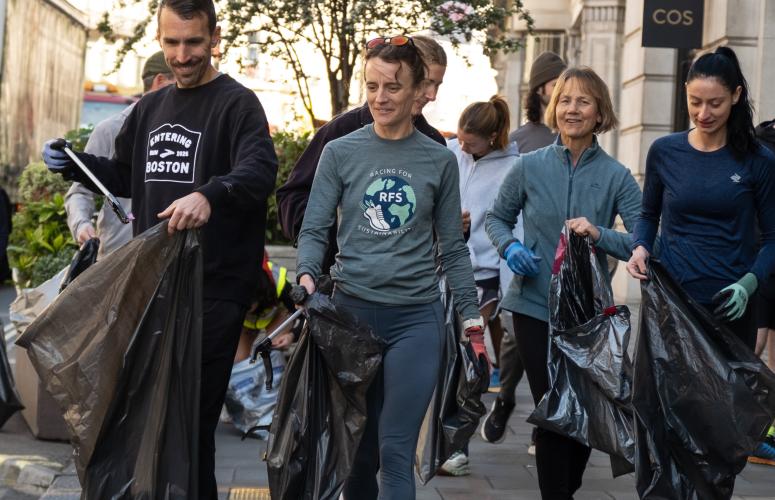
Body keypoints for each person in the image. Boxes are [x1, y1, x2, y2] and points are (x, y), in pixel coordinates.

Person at [41, 1, 278, 497]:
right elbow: (125, 175)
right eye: (171, 42)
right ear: (160, 38)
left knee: (189, 423)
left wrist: (208, 195)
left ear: (215, 37)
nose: (182, 54)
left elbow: (258, 174)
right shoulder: (150, 109)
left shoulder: (237, 104)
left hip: (214, 288)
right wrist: (74, 162)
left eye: (193, 42)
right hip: (154, 286)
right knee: (148, 416)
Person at [295, 35, 484, 500]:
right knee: (359, 452)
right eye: (372, 85)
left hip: (415, 320)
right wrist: (304, 274)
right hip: (351, 318)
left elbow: (453, 249)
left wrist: (471, 317)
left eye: (393, 87)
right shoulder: (340, 151)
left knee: (396, 452)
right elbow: (314, 230)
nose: (380, 97)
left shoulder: (439, 158)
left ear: (417, 88)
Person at [486, 66, 643, 499]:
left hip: (590, 317)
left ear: (599, 114)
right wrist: (509, 248)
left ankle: (563, 490)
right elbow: (496, 219)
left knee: (583, 415)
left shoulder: (616, 176)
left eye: (583, 101)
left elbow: (642, 241)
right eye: (565, 100)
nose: (573, 109)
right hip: (534, 305)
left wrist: (599, 234)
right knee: (554, 407)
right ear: (555, 109)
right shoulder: (528, 166)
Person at [629, 47, 775, 475]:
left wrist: (749, 283)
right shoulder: (665, 151)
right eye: (695, 102)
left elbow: (773, 238)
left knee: (718, 435)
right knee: (666, 425)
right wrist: (640, 247)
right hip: (671, 308)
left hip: (730, 311)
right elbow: (647, 214)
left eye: (714, 103)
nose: (704, 112)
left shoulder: (759, 162)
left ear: (735, 96)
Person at [276, 35, 448, 264]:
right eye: (427, 82)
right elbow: (292, 198)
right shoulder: (340, 132)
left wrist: (450, 225)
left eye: (437, 85)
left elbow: (435, 231)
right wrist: (331, 235)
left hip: (407, 289)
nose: (432, 95)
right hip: (340, 283)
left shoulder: (435, 144)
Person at [486, 51, 567, 454]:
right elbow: (500, 206)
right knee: (517, 339)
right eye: (558, 84)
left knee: (555, 346)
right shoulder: (519, 140)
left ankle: (543, 426)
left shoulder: (573, 137)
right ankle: (503, 399)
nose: (566, 95)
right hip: (523, 256)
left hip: (567, 261)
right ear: (540, 89)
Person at [440, 95, 518, 476]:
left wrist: (508, 287)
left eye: (471, 143)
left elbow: (511, 225)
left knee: (467, 359)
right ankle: (442, 440)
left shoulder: (512, 168)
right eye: (460, 139)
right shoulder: (450, 152)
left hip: (483, 277)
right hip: (442, 270)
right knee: (444, 359)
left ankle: (459, 446)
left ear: (492, 137)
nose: (463, 147)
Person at [64, 51, 175, 259]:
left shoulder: (185, 129)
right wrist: (82, 226)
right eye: (179, 83)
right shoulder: (110, 129)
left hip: (168, 257)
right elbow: (80, 191)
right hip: (117, 258)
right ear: (160, 81)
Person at [508, 51, 566, 151]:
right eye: (556, 85)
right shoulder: (516, 142)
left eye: (565, 85)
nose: (563, 91)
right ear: (539, 89)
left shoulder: (577, 138)